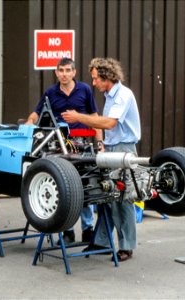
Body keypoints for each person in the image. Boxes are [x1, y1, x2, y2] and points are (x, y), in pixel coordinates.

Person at [61, 57, 141, 261]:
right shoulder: (110, 95)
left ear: (107, 77)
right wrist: (102, 144)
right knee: (105, 196)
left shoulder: (122, 95)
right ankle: (103, 241)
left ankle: (126, 246)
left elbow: (109, 123)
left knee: (123, 198)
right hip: (112, 148)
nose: (94, 83)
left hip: (123, 150)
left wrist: (78, 117)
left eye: (96, 79)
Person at [25, 57, 102, 244]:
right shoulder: (50, 92)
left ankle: (87, 229)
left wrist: (100, 143)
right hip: (59, 144)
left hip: (82, 144)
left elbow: (94, 116)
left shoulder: (84, 89)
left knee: (84, 186)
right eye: (61, 70)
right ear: (56, 73)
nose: (65, 74)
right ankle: (67, 231)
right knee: (64, 187)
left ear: (74, 72)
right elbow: (37, 113)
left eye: (68, 70)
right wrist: (28, 123)